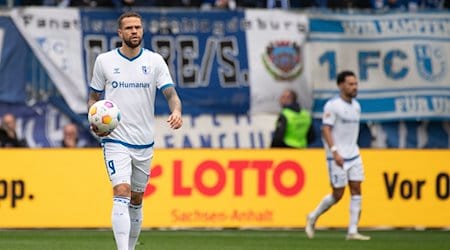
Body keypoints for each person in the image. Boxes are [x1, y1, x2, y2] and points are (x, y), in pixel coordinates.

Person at [88, 11, 183, 250]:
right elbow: (93, 98)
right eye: (129, 28)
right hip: (115, 139)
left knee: (137, 199)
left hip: (144, 142)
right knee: (121, 190)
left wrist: (177, 111)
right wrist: (94, 119)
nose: (134, 32)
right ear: (120, 33)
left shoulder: (154, 61)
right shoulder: (105, 61)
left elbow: (171, 94)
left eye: (138, 27)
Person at [305, 70, 370, 241]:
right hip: (337, 156)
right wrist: (334, 151)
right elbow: (325, 128)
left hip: (354, 154)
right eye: (350, 84)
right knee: (338, 194)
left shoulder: (356, 106)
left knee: (356, 189)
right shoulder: (332, 105)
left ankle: (352, 231)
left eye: (356, 84)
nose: (354, 87)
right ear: (341, 85)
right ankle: (313, 216)